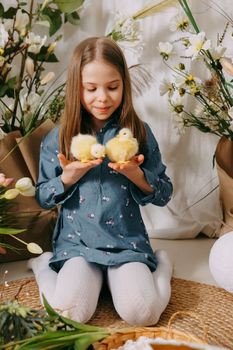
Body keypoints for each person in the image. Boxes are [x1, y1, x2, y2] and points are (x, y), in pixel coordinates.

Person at [28, 36, 173, 326]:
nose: (103, 98)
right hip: (77, 245)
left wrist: (137, 175)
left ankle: (163, 265)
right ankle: (42, 264)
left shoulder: (138, 133)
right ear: (76, 87)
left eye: (113, 87)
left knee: (142, 314)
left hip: (126, 243)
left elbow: (164, 192)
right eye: (91, 89)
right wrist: (66, 179)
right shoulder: (58, 138)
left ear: (124, 85)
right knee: (68, 315)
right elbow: (43, 196)